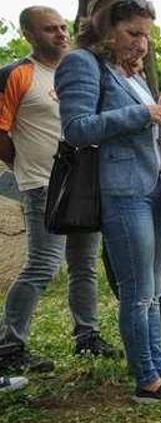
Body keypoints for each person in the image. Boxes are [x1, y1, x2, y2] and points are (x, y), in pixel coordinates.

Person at [57, 0, 161, 404]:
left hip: (152, 186)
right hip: (122, 191)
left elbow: (145, 120)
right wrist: (145, 112)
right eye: (133, 34)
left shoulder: (130, 73)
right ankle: (146, 379)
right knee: (137, 291)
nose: (143, 44)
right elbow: (76, 128)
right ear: (107, 28)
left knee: (153, 289)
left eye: (147, 36)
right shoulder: (82, 64)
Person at [1, 5, 122, 379]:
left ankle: (87, 335)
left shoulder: (81, 71)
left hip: (85, 185)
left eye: (61, 27)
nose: (60, 34)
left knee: (84, 264)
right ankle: (9, 345)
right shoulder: (17, 74)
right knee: (42, 265)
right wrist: (23, 165)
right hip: (42, 185)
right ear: (29, 35)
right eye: (49, 29)